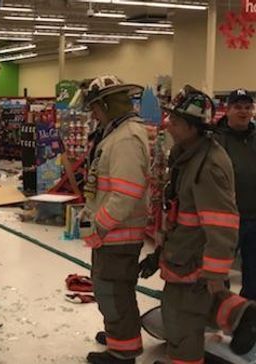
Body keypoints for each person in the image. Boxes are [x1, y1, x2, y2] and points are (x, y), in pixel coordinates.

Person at [140, 85, 256, 363]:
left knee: (183, 326)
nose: (168, 125)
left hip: (195, 266)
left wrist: (214, 277)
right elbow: (181, 212)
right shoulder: (187, 156)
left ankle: (242, 316)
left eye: (176, 121)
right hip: (182, 257)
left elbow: (222, 225)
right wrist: (160, 254)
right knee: (178, 314)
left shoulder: (209, 165)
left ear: (193, 127)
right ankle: (240, 315)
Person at [81, 75, 151, 364]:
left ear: (108, 105)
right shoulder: (116, 133)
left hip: (118, 235)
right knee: (109, 289)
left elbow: (126, 193)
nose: (94, 115)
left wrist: (99, 226)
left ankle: (123, 353)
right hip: (112, 234)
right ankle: (118, 335)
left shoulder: (125, 139)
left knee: (114, 293)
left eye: (96, 108)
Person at [215, 89, 256, 300]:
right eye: (238, 107)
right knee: (219, 271)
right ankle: (220, 314)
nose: (243, 111)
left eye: (247, 107)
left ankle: (249, 319)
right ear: (228, 110)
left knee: (253, 275)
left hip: (254, 218)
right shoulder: (215, 140)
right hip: (226, 218)